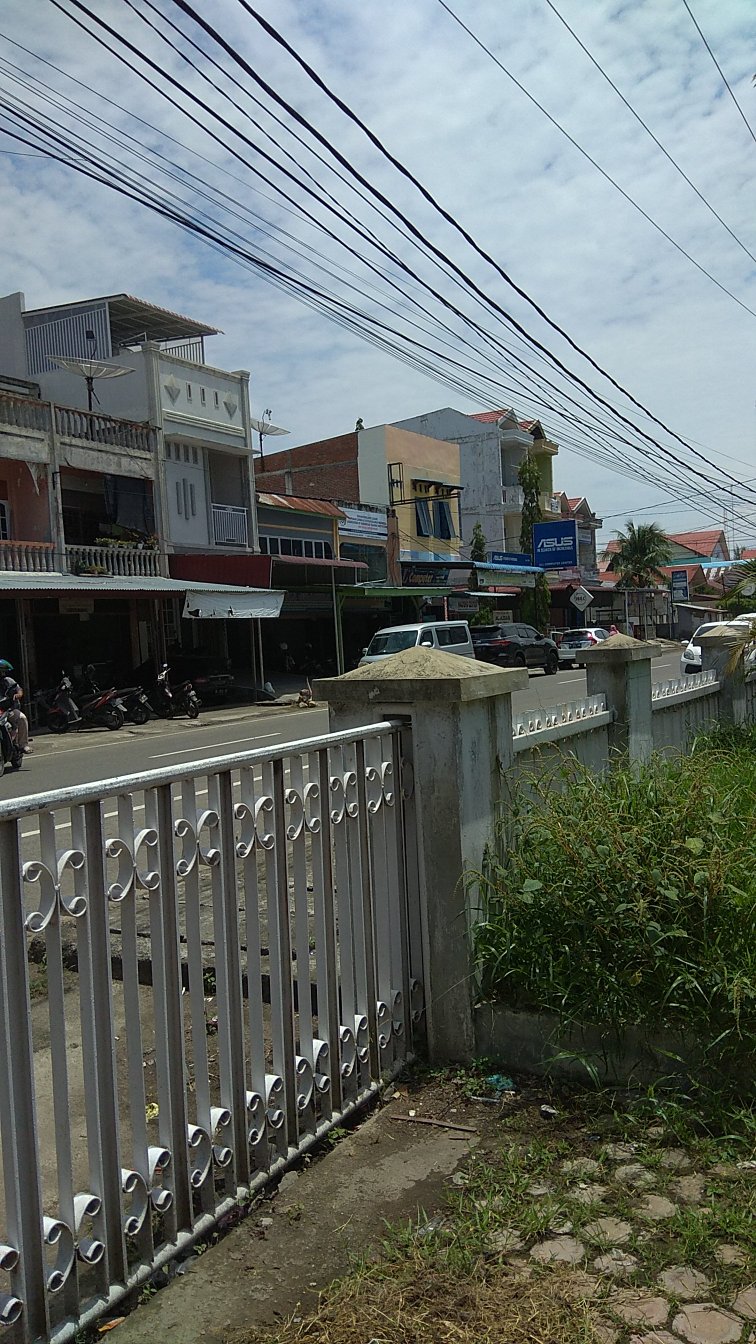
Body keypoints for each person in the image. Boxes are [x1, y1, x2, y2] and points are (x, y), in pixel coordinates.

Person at [0, 659, 32, 753]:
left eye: (2, 671)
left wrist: (18, 694)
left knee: (22, 718)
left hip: (8, 710)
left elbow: (19, 689)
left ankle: (23, 745)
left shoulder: (8, 681)